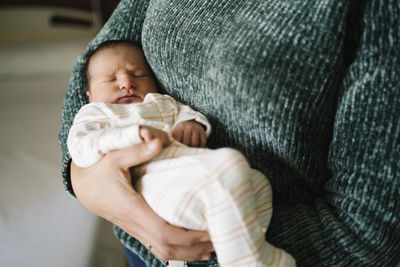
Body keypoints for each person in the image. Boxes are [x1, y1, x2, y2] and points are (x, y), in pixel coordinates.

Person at [58, 0, 400, 266]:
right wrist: (89, 183)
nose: (127, 82)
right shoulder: (101, 106)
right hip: (137, 243)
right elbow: (91, 70)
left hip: (257, 240)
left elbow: (367, 230)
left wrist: (211, 248)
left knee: (233, 175)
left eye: (136, 74)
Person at [67, 41, 295, 266]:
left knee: (259, 183)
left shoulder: (161, 102)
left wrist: (191, 124)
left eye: (139, 75)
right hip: (155, 185)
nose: (127, 83)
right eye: (111, 79)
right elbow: (80, 148)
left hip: (193, 171)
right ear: (90, 95)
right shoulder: (95, 112)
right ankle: (243, 260)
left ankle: (250, 248)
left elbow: (186, 113)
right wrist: (130, 135)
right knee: (230, 165)